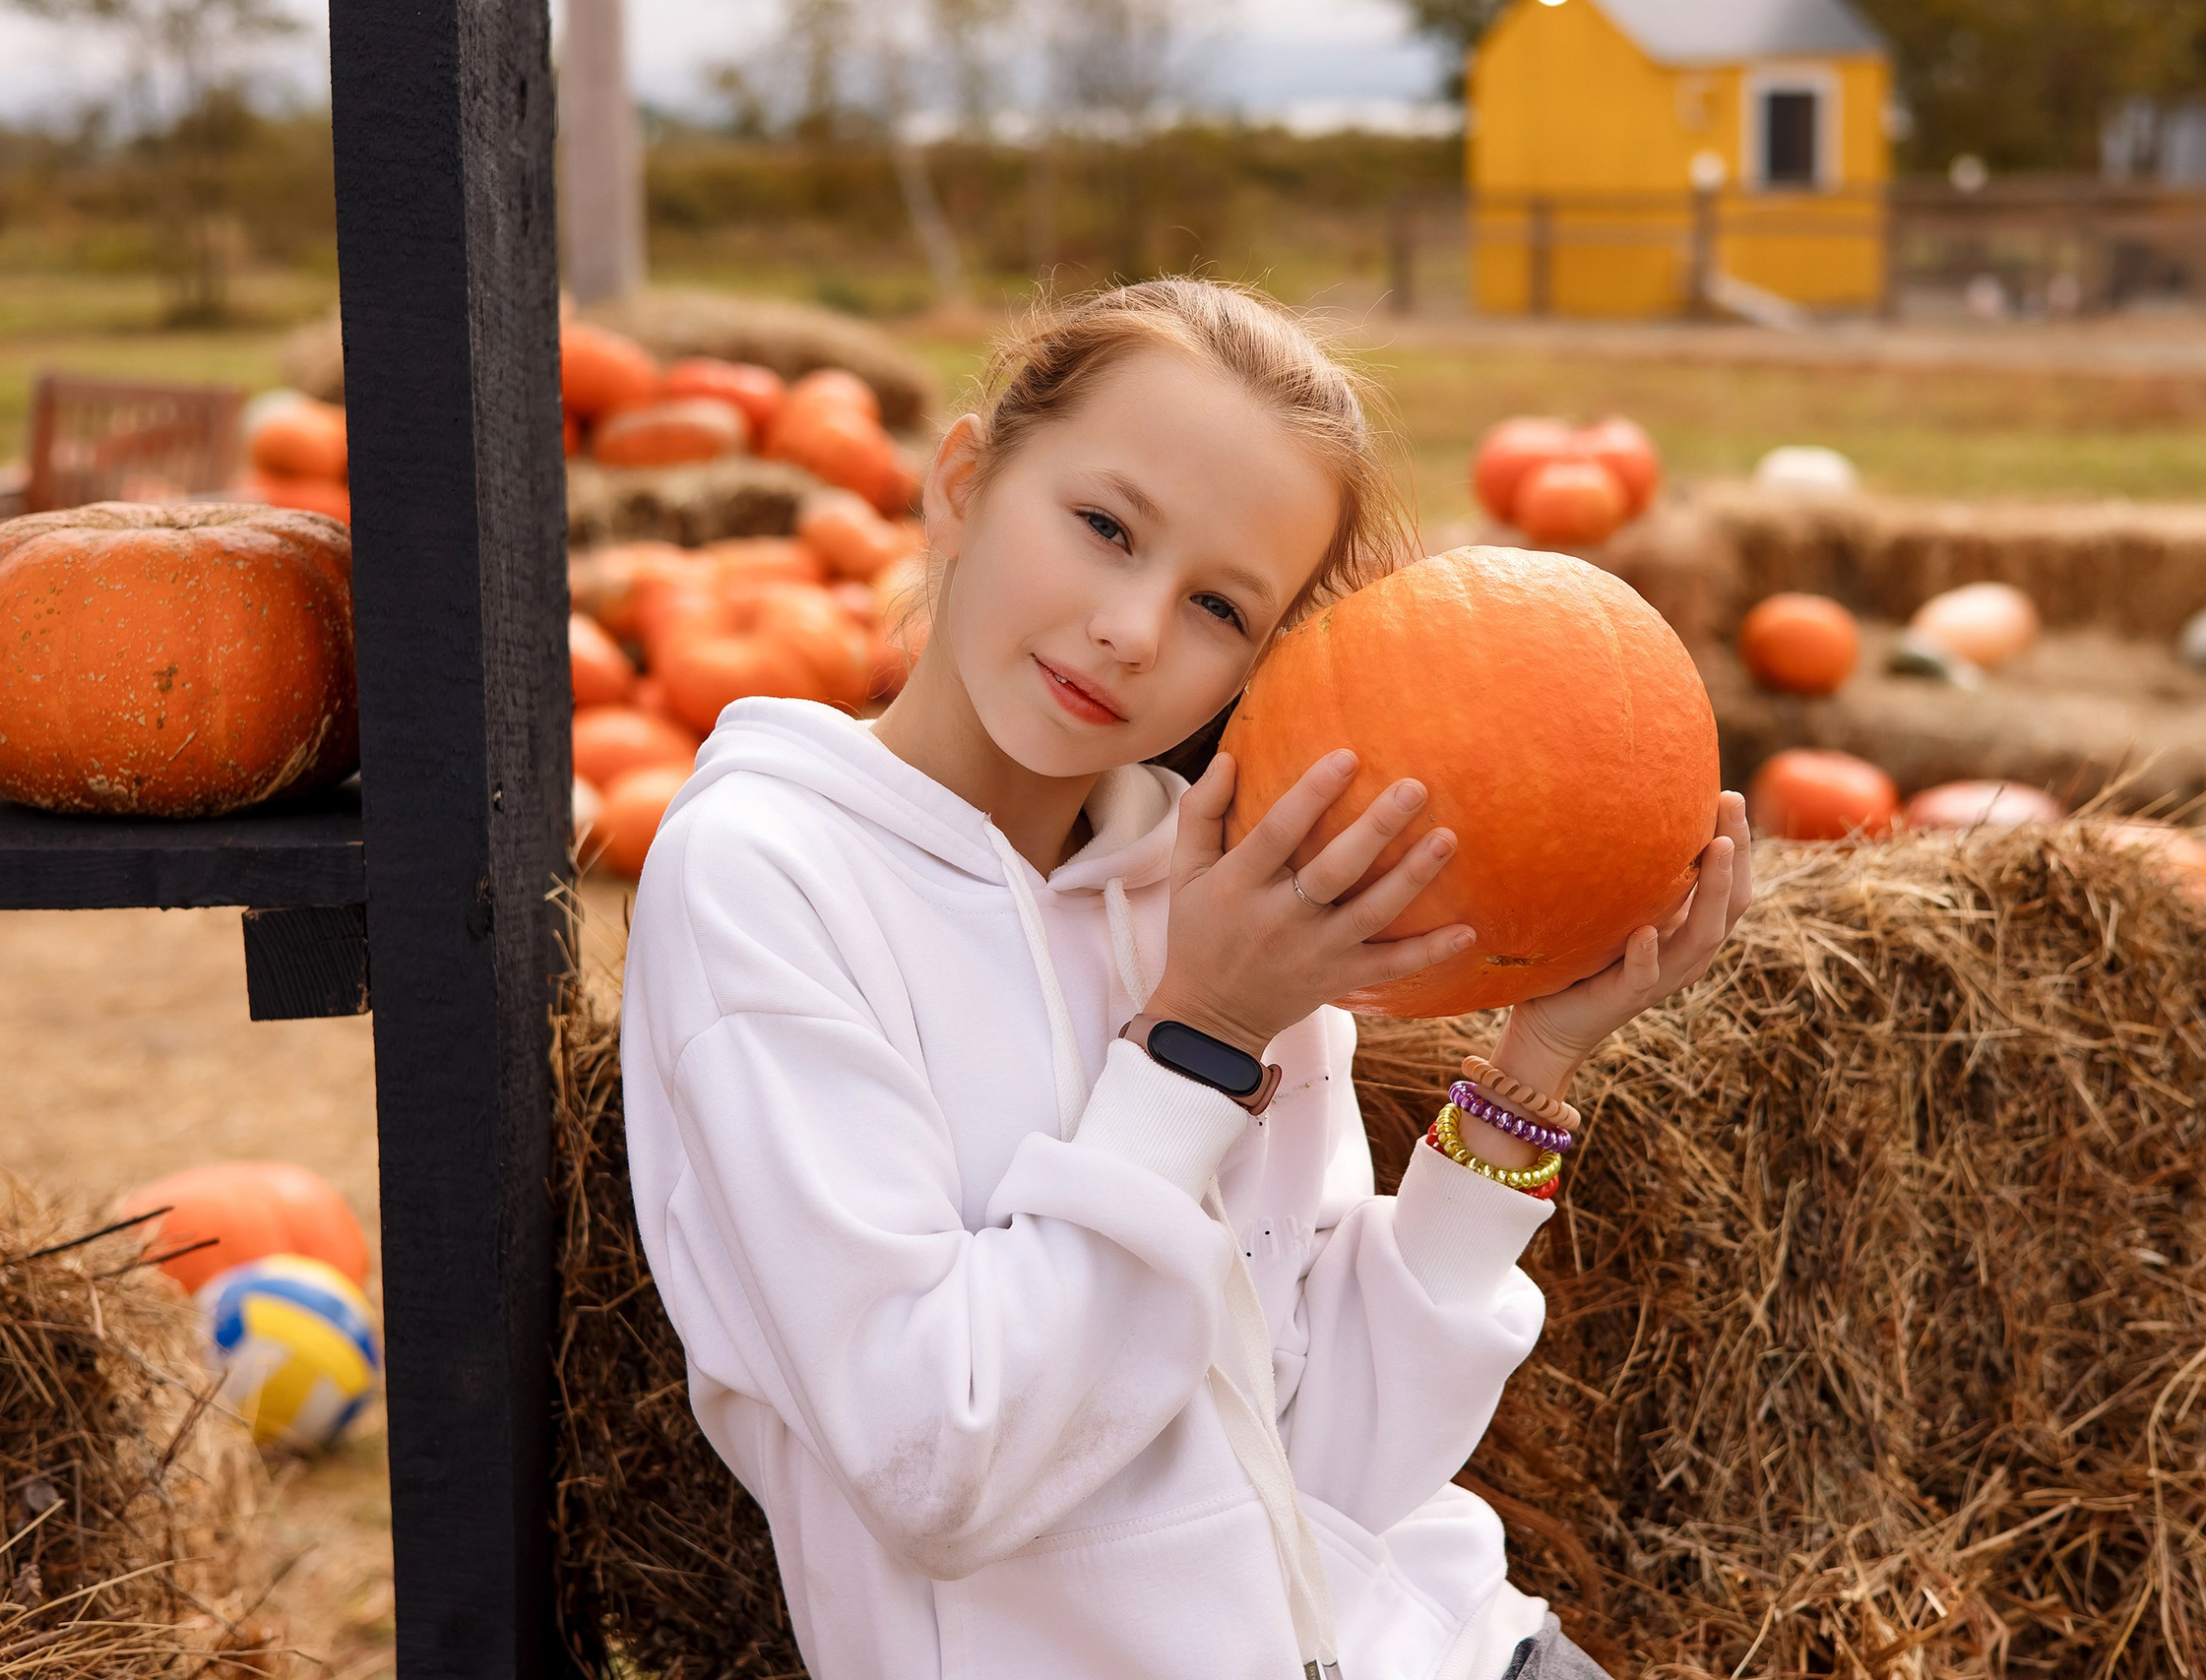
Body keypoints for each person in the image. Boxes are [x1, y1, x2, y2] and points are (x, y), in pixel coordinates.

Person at [621, 278, 1752, 1680]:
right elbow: (938, 1461)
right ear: (967, 484)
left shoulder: (1223, 896)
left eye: (1220, 604)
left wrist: (1534, 1067)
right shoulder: (767, 873)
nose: (1135, 630)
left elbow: (1340, 1452)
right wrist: (1196, 1041)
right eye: (1105, 528)